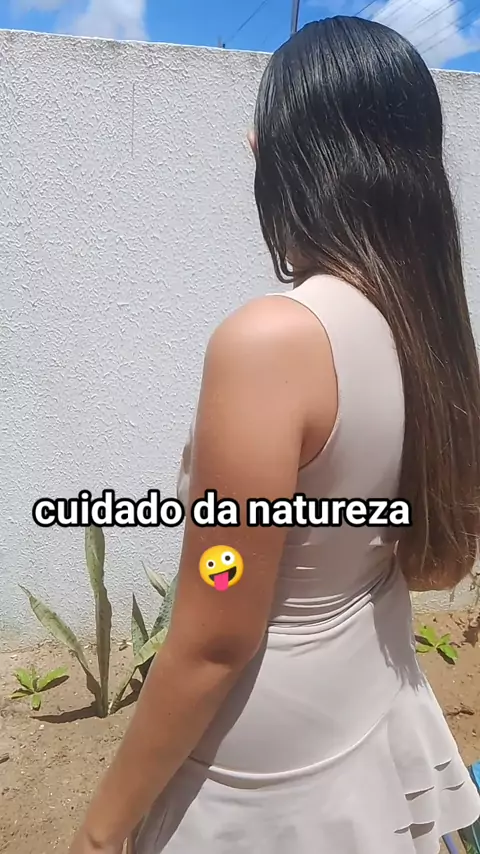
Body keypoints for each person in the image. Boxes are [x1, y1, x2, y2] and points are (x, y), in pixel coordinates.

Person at [68, 16, 480, 854]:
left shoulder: (273, 342)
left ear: (277, 154)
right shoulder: (429, 335)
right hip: (372, 708)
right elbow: (433, 559)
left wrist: (100, 833)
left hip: (262, 771)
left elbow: (215, 635)